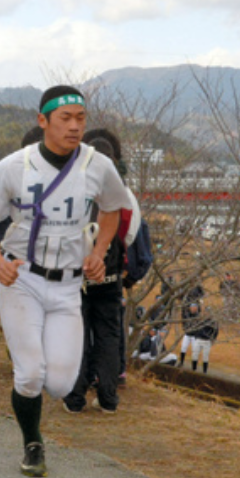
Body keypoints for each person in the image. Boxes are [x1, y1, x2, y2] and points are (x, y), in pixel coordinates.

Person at [0, 86, 131, 478]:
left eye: (81, 118)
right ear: (43, 121)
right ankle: (32, 443)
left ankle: (39, 402)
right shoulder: (14, 166)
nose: (75, 126)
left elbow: (113, 208)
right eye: (65, 118)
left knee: (59, 384)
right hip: (22, 278)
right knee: (29, 373)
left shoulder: (98, 165)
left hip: (68, 286)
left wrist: (99, 251)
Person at [63, 129, 142, 415]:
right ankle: (108, 396)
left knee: (78, 333)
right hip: (110, 275)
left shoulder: (78, 188)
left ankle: (75, 395)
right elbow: (131, 236)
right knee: (109, 334)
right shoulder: (126, 195)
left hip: (78, 273)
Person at [183, 302, 218, 373]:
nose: (207, 313)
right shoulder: (201, 319)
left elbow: (216, 331)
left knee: (205, 356)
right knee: (195, 354)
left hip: (207, 340)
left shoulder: (213, 322)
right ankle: (194, 369)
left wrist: (213, 339)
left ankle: (204, 372)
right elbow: (196, 327)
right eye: (206, 312)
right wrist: (196, 336)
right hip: (198, 339)